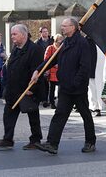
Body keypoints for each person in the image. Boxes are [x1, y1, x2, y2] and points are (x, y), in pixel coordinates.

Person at [32, 17, 96, 155]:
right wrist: (38, 70)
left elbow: (85, 67)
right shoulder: (65, 42)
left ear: (73, 27)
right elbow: (52, 59)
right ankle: (52, 144)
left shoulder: (82, 43)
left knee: (85, 114)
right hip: (65, 87)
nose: (62, 28)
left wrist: (76, 83)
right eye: (62, 26)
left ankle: (90, 142)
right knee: (59, 115)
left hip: (77, 88)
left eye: (65, 26)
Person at [0, 24, 44, 150]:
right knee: (8, 114)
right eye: (12, 34)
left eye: (14, 34)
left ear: (23, 34)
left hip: (27, 89)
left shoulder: (35, 49)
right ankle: (7, 139)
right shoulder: (16, 48)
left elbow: (38, 71)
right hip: (13, 89)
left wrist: (32, 89)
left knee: (32, 114)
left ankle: (36, 139)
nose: (12, 37)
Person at [44, 34, 64, 109]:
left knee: (60, 89)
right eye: (59, 41)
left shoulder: (62, 48)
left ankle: (60, 103)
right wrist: (48, 69)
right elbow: (46, 60)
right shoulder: (50, 48)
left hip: (61, 72)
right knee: (51, 89)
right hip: (52, 71)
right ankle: (52, 103)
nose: (60, 43)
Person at [35, 26, 53, 108]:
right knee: (43, 82)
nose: (45, 33)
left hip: (52, 63)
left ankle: (50, 99)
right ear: (41, 33)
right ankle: (44, 99)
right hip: (41, 64)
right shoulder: (37, 43)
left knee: (51, 83)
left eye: (46, 31)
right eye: (44, 31)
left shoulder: (52, 41)